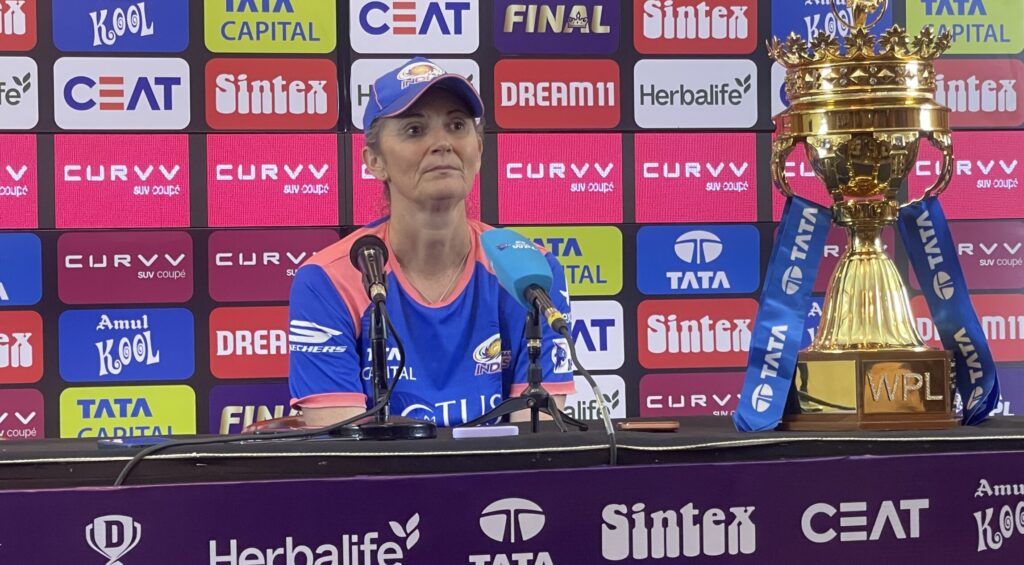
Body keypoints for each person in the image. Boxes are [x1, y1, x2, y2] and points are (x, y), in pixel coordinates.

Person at [288, 57, 575, 428]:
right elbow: (346, 455)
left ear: (479, 149)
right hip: (383, 485)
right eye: (414, 130)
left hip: (503, 486)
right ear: (375, 161)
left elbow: (537, 444)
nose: (442, 143)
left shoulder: (531, 270)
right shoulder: (327, 281)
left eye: (457, 125)